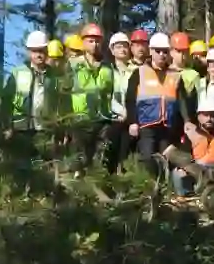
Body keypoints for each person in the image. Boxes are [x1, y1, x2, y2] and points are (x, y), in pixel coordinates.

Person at [125, 32, 185, 182]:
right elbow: (130, 99)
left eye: (165, 51)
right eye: (158, 51)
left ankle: (164, 189)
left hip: (168, 126)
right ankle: (149, 188)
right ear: (151, 51)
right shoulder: (139, 72)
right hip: (146, 125)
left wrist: (187, 122)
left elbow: (182, 101)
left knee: (167, 159)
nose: (161, 55)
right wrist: (132, 122)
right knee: (147, 158)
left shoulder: (175, 75)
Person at [2, 30, 65, 170]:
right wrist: (7, 126)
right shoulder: (18, 73)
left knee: (43, 169)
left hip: (45, 129)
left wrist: (60, 130)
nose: (39, 54)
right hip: (21, 129)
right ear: (29, 52)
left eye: (42, 50)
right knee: (21, 169)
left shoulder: (55, 76)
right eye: (35, 51)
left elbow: (62, 104)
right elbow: (6, 102)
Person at [68, 24, 114, 174]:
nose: (94, 45)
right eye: (91, 41)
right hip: (80, 117)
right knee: (80, 158)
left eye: (97, 41)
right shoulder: (73, 65)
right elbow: (64, 92)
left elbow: (113, 91)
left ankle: (99, 187)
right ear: (83, 42)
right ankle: (79, 190)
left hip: (102, 118)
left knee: (100, 158)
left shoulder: (108, 66)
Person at [105, 31, 138, 173]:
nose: (122, 50)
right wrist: (120, 111)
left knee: (126, 153)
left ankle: (123, 179)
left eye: (125, 46)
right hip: (113, 117)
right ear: (112, 50)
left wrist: (130, 116)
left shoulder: (136, 70)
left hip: (131, 119)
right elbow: (107, 95)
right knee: (111, 150)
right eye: (118, 47)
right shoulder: (107, 70)